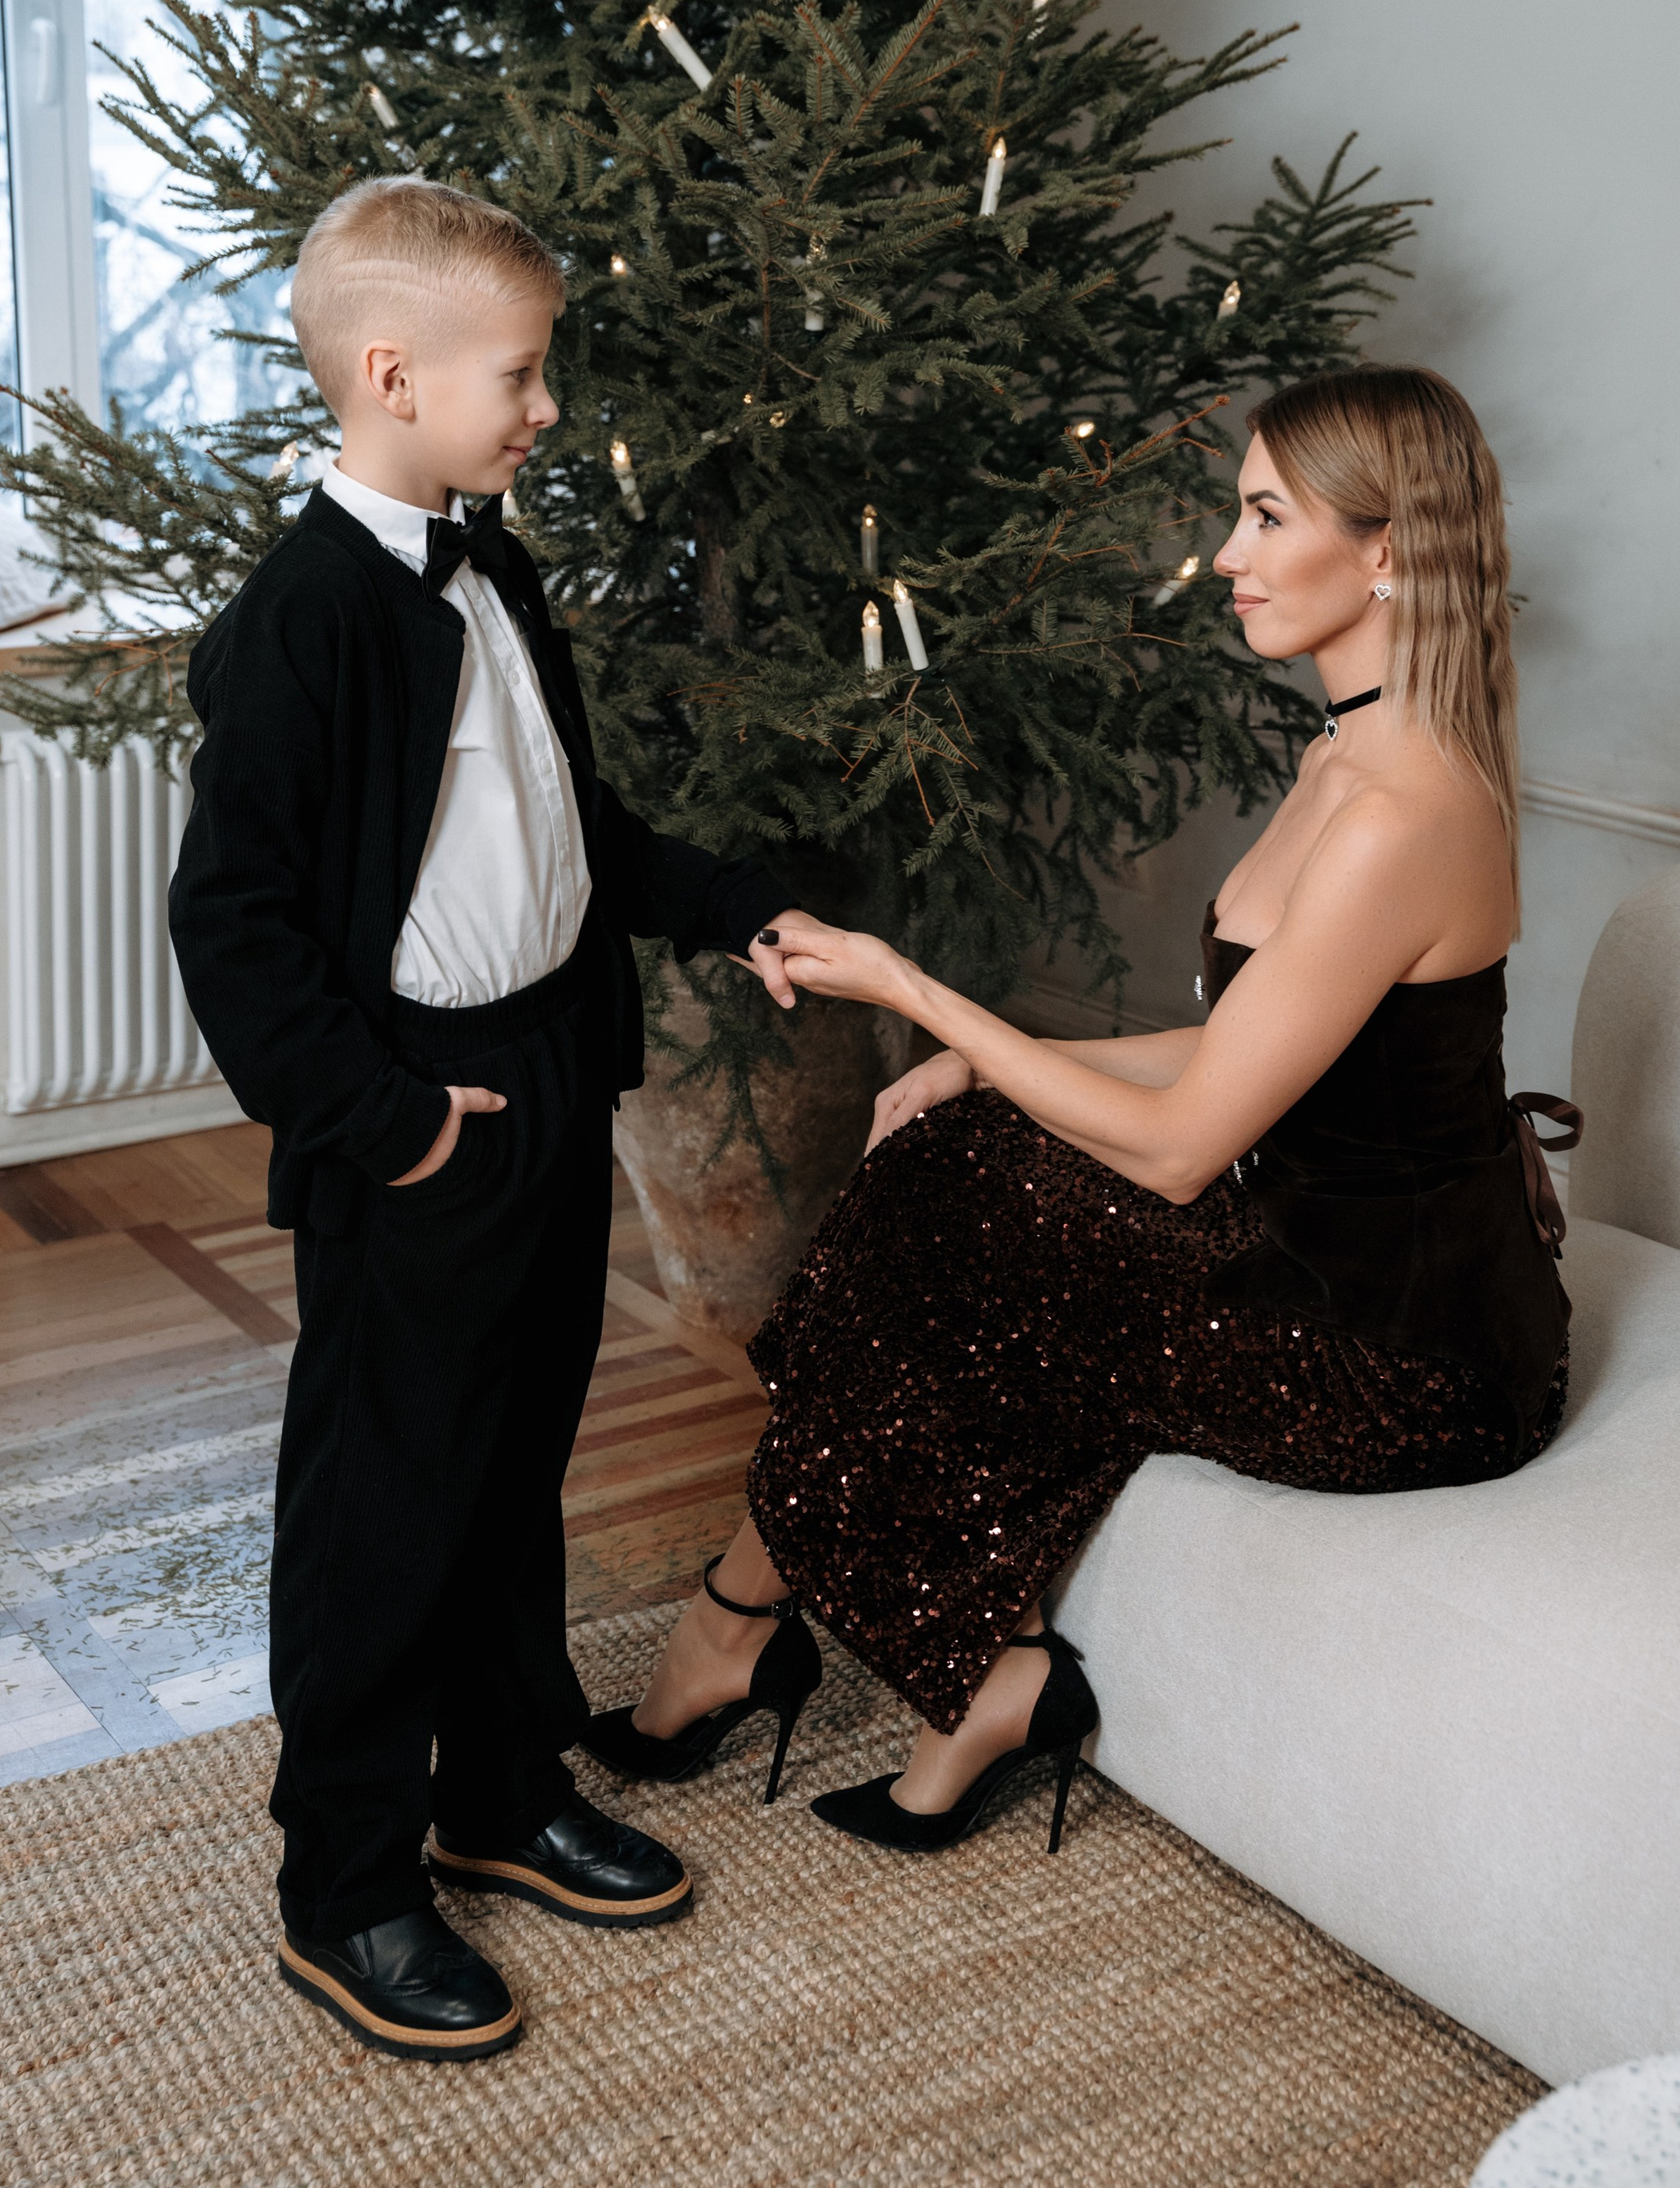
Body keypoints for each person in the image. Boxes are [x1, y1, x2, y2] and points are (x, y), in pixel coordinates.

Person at [583, 365, 1574, 1857]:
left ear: (1386, 551)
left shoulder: (1401, 813)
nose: (1228, 557)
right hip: (1313, 1249)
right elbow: (1242, 1044)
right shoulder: (1346, 751)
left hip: (1401, 1355)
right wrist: (989, 1058)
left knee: (958, 1202)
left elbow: (1182, 1153)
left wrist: (922, 998)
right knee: (949, 1157)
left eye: (1260, 517)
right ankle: (903, 1657)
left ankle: (771, 1633)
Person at [169, 177, 811, 2061]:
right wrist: (380, 1120)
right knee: (387, 1492)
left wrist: (725, 906)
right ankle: (349, 1879)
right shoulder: (297, 624)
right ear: (392, 372)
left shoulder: (493, 564)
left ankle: (498, 1786)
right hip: (418, 1114)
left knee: (513, 1456)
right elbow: (237, 921)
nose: (543, 410)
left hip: (544, 1067)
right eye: (520, 376)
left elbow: (563, 833)